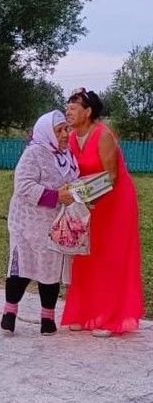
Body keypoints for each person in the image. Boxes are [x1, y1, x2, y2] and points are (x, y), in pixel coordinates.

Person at [61, 88, 144, 337]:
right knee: (84, 254)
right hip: (88, 201)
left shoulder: (104, 134)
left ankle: (108, 317)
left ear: (88, 112)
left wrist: (81, 197)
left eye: (74, 107)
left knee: (110, 256)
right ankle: (83, 313)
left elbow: (112, 176)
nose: (69, 111)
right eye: (68, 107)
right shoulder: (73, 137)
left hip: (114, 202)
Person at [1, 110, 79, 336]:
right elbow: (23, 186)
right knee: (22, 267)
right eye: (60, 130)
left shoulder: (66, 156)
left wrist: (78, 195)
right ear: (47, 132)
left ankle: (47, 319)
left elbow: (72, 183)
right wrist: (55, 196)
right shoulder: (34, 153)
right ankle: (9, 313)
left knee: (50, 270)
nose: (66, 134)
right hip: (26, 223)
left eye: (66, 129)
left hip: (52, 225)